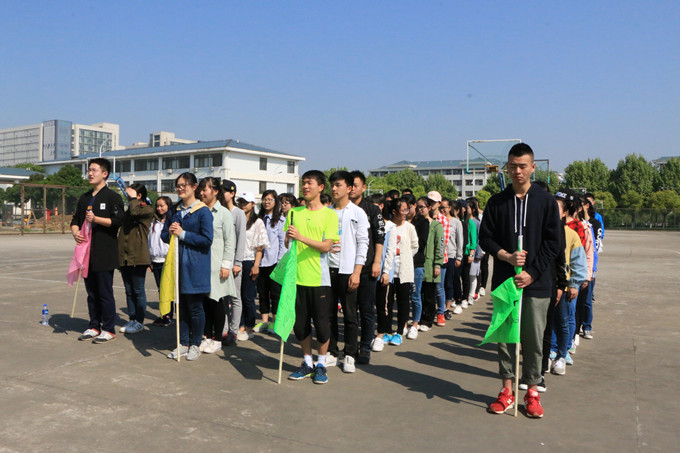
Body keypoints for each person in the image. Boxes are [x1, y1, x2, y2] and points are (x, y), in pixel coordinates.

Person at [479, 143, 561, 418]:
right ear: (507, 167)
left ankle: (532, 392)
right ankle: (506, 391)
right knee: (505, 338)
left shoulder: (545, 202)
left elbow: (553, 242)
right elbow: (486, 238)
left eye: (523, 166)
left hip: (537, 283)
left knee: (533, 339)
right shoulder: (497, 202)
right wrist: (506, 256)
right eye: (513, 166)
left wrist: (532, 272)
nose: (517, 171)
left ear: (533, 167)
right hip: (506, 283)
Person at [286, 170, 339, 384]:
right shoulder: (294, 212)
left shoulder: (329, 215)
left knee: (322, 325)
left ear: (321, 187)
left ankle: (321, 364)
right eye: (303, 183)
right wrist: (290, 238)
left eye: (309, 183)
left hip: (319, 279)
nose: (305, 187)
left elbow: (326, 246)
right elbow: (287, 243)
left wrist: (301, 237)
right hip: (296, 278)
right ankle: (307, 362)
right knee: (300, 325)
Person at [71, 158, 124, 343]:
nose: (90, 173)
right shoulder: (84, 197)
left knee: (104, 292)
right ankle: (94, 326)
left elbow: (118, 221)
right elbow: (75, 220)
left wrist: (97, 219)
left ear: (105, 173)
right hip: (86, 253)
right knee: (91, 293)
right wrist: (75, 232)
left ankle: (109, 328)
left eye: (94, 170)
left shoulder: (112, 197)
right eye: (89, 170)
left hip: (104, 253)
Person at [162, 172, 213, 361]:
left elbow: (207, 239)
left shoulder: (203, 211)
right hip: (177, 265)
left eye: (184, 185)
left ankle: (195, 343)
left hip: (196, 266)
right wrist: (170, 232)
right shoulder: (174, 211)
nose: (180, 189)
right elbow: (164, 236)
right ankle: (183, 343)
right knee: (181, 306)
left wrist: (183, 234)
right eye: (178, 186)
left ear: (194, 187)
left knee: (195, 307)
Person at [327, 171, 369, 373]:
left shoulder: (357, 213)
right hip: (327, 270)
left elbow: (363, 243)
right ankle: (332, 352)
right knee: (328, 314)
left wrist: (357, 271)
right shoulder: (326, 212)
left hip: (348, 271)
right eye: (332, 185)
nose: (334, 189)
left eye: (338, 185)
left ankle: (350, 353)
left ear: (349, 188)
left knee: (350, 315)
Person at [349, 170, 385, 365]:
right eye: (350, 185)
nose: (352, 189)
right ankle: (350, 347)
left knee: (366, 310)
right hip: (346, 267)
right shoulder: (340, 209)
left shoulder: (372, 210)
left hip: (367, 267)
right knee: (349, 311)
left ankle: (365, 347)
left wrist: (377, 262)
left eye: (355, 185)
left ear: (363, 187)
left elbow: (380, 237)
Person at [198, 177, 236, 354]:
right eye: (200, 189)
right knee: (205, 302)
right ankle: (207, 336)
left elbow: (230, 241)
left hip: (217, 265)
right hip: (202, 264)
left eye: (205, 189)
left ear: (215, 191)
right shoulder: (199, 211)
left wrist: (226, 265)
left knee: (217, 302)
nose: (202, 193)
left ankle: (217, 339)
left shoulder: (224, 213)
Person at [379, 198, 419, 341]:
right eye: (403, 210)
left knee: (403, 302)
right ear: (394, 211)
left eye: (406, 210)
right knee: (387, 302)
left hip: (404, 270)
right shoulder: (387, 226)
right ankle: (387, 331)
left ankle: (400, 332)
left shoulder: (409, 227)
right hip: (388, 270)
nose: (405, 213)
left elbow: (415, 246)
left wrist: (405, 255)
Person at [118, 183, 155, 335]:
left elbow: (134, 212)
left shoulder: (147, 209)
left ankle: (139, 321)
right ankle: (132, 319)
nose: (127, 197)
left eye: (130, 195)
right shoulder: (130, 210)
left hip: (138, 256)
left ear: (139, 195)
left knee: (138, 290)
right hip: (125, 256)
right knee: (128, 290)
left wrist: (133, 199)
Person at [237, 191, 269, 341]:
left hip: (249, 260)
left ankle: (249, 326)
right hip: (236, 261)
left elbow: (260, 247)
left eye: (246, 202)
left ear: (252, 204)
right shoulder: (236, 219)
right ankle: (240, 325)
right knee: (236, 297)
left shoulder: (258, 222)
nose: (243, 205)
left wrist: (256, 265)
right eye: (241, 202)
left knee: (248, 297)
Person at [255, 189, 286, 333]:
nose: (266, 202)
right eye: (264, 199)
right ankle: (264, 321)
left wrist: (280, 262)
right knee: (262, 293)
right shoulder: (258, 219)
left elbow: (282, 243)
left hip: (274, 262)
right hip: (261, 261)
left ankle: (275, 322)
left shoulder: (280, 220)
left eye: (270, 199)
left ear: (275, 202)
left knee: (275, 294)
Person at [221, 180, 247, 346]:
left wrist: (237, 262)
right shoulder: (219, 211)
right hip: (221, 261)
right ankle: (223, 329)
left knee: (235, 297)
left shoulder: (238, 213)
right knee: (223, 297)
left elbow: (241, 239)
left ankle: (234, 330)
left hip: (233, 263)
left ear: (232, 194)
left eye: (224, 191)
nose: (221, 194)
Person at [150, 196, 174, 326]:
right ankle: (164, 314)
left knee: (168, 289)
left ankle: (169, 315)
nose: (159, 208)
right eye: (157, 206)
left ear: (168, 206)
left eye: (162, 206)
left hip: (167, 260)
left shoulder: (172, 221)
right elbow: (150, 240)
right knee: (161, 289)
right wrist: (150, 259)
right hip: (156, 260)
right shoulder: (154, 222)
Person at [427, 191, 450, 327]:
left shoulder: (443, 220)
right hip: (426, 259)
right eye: (429, 201)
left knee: (439, 287)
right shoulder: (424, 217)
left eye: (433, 202)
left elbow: (443, 243)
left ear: (439, 203)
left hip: (440, 259)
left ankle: (441, 312)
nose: (431, 204)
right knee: (427, 288)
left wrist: (437, 262)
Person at [442, 198, 464, 316]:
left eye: (444, 207)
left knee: (450, 282)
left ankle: (448, 307)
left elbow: (460, 240)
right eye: (441, 207)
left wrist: (459, 257)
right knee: (441, 284)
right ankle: (442, 306)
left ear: (450, 208)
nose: (442, 210)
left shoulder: (456, 222)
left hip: (451, 255)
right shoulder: (438, 220)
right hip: (440, 255)